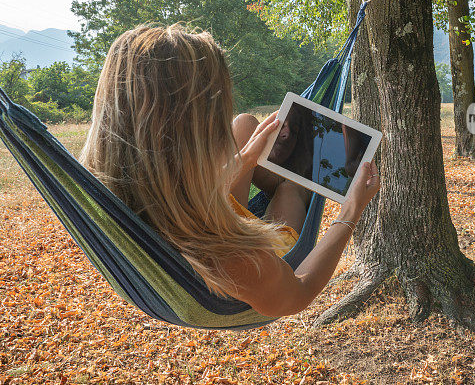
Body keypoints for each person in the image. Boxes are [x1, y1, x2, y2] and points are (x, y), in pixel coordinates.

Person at [80, 24, 380, 318]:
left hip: (201, 210)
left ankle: (276, 162)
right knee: (291, 188)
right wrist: (351, 210)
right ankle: (295, 181)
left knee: (245, 125)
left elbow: (185, 195)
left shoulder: (104, 194)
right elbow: (298, 292)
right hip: (252, 241)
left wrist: (247, 157)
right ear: (195, 131)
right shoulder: (236, 260)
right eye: (218, 107)